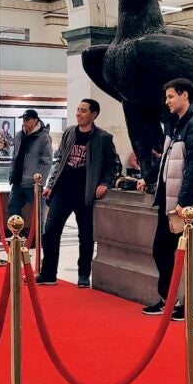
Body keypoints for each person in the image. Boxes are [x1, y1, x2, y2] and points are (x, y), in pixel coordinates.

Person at [137, 78, 193, 319]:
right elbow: (167, 158)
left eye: (171, 96)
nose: (167, 101)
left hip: (186, 205)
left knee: (191, 254)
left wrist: (184, 203)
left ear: (185, 96)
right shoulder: (175, 123)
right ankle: (168, 298)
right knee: (161, 250)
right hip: (169, 199)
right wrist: (149, 177)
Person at [36, 99, 118, 288]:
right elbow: (59, 160)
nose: (78, 114)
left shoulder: (103, 138)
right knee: (50, 233)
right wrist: (50, 184)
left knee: (86, 236)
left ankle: (83, 275)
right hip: (62, 191)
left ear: (94, 114)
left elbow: (113, 164)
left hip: (86, 194)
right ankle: (48, 273)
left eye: (83, 111)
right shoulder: (69, 132)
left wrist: (105, 182)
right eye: (77, 110)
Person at [7, 109, 53, 245]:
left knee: (39, 213)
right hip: (17, 180)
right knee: (12, 208)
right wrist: (12, 173)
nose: (25, 122)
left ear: (35, 120)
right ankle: (16, 236)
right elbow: (15, 157)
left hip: (33, 182)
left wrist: (40, 180)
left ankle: (38, 238)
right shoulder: (19, 135)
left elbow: (47, 160)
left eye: (27, 119)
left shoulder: (43, 137)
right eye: (23, 119)